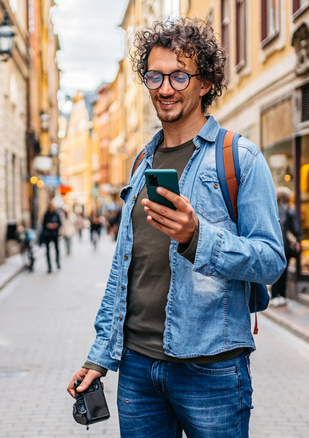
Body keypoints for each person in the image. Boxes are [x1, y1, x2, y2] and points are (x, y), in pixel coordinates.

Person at [66, 18, 285, 437]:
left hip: (212, 368)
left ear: (205, 83)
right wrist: (99, 356)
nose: (165, 88)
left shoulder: (239, 158)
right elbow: (123, 269)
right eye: (155, 76)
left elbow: (271, 260)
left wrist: (197, 237)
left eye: (179, 75)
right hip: (136, 368)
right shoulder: (142, 162)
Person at [272, 187, 300, 307]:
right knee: (284, 271)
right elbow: (296, 229)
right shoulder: (291, 210)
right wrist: (298, 241)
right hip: (286, 247)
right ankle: (282, 295)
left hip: (274, 244)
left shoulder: (272, 210)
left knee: (275, 271)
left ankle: (274, 296)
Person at [41, 202, 62, 273]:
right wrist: (48, 225)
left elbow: (60, 223)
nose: (51, 209)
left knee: (57, 249)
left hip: (55, 234)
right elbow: (43, 225)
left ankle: (57, 262)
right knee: (47, 251)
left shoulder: (56, 214)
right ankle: (49, 266)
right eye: (50, 208)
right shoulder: (46, 215)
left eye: (52, 208)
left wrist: (56, 225)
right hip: (47, 235)